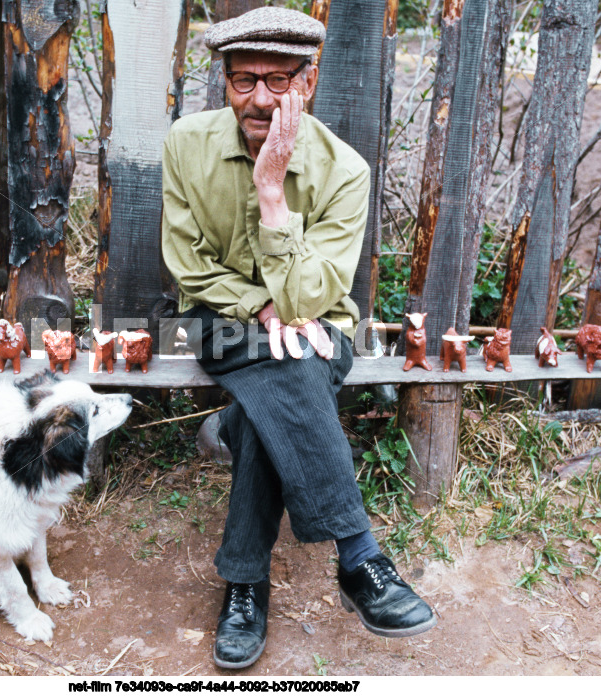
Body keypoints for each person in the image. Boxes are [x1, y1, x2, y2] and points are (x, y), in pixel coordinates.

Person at [161, 7, 436, 670]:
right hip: (220, 320)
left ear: (307, 83)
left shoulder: (346, 170)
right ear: (225, 82)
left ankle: (245, 583)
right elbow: (189, 264)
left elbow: (315, 297)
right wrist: (262, 306)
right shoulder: (186, 143)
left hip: (319, 327)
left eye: (278, 81)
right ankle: (360, 557)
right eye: (244, 80)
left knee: (284, 382)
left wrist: (272, 196)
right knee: (286, 364)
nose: (260, 98)